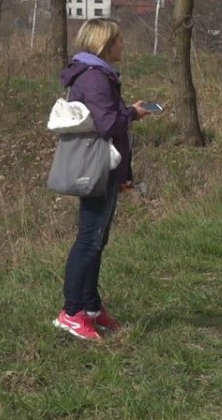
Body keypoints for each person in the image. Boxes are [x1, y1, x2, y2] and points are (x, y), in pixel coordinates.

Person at [54, 19, 151, 341]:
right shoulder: (95, 78)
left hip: (106, 169)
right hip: (94, 168)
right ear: (105, 44)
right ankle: (71, 312)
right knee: (88, 240)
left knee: (97, 239)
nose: (123, 45)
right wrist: (134, 113)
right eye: (119, 40)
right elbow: (108, 124)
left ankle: (91, 307)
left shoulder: (99, 75)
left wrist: (124, 175)